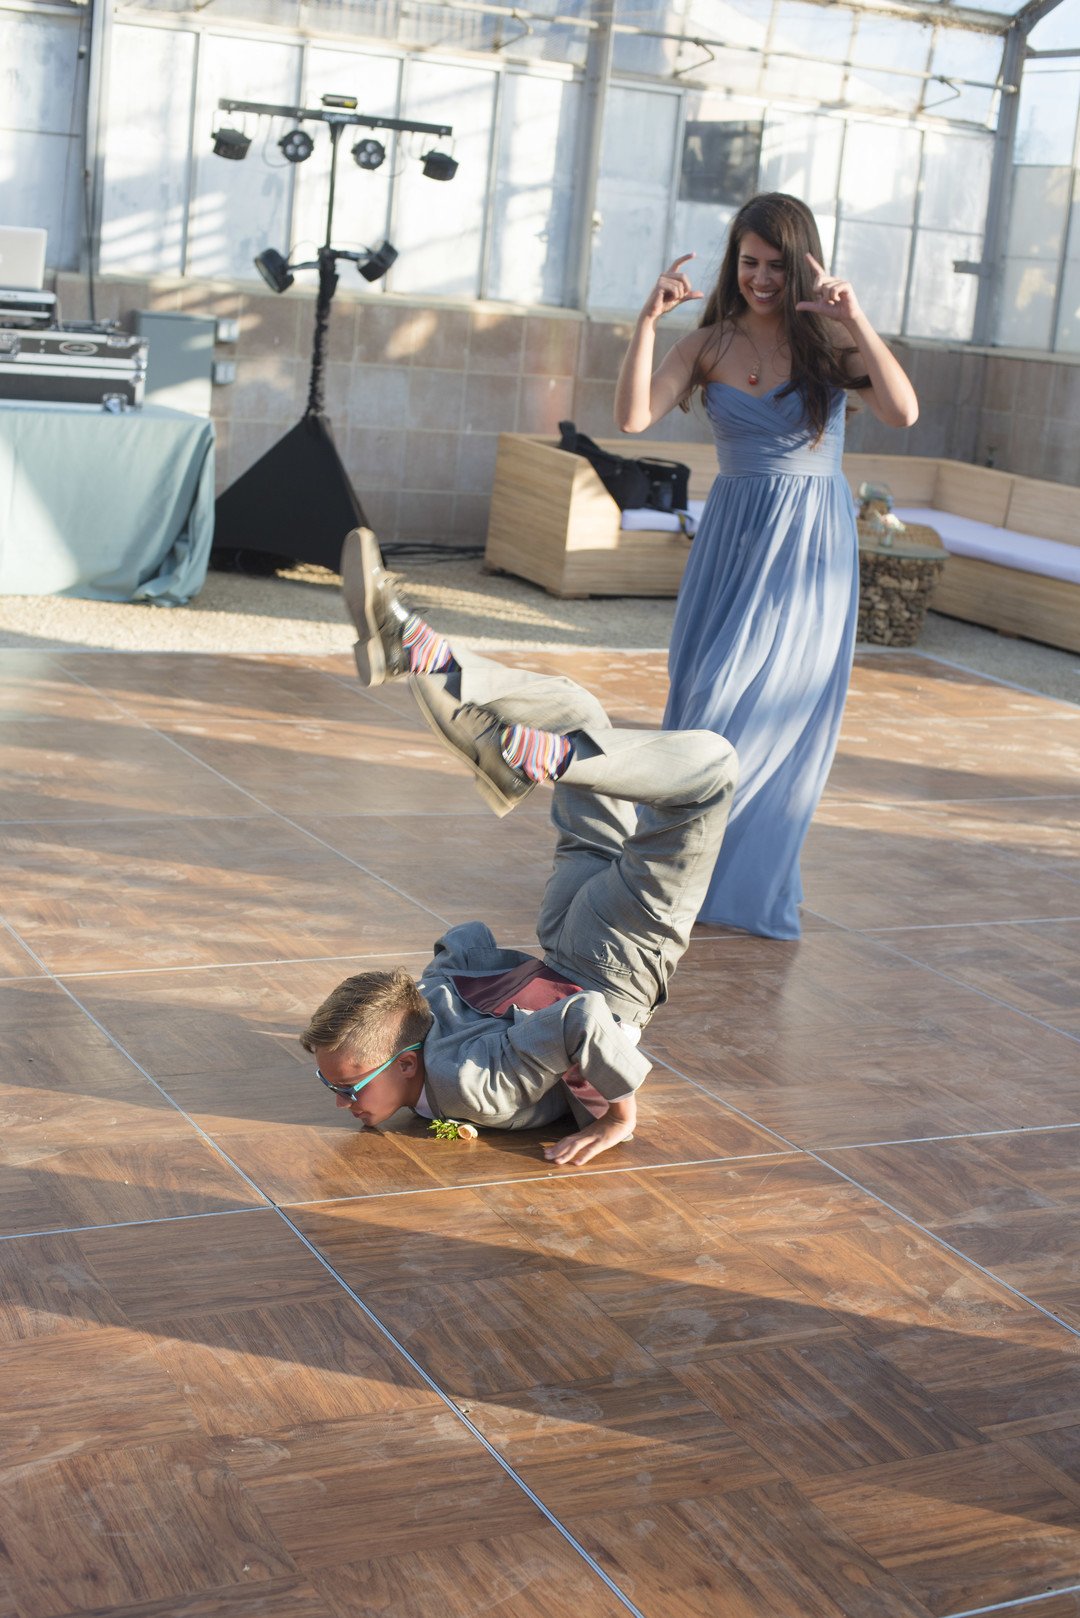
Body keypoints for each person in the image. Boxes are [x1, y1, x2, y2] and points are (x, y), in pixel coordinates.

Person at [299, 528, 738, 1168]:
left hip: (608, 959)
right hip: (565, 936)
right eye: (335, 1084)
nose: (341, 1102)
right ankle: (443, 673)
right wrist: (616, 1110)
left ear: (408, 1062)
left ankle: (502, 721)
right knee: (592, 718)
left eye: (346, 1085)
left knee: (708, 773)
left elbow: (581, 1015)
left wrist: (613, 1108)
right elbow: (469, 941)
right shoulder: (441, 1038)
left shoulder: (470, 1084)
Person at [614, 192, 918, 940]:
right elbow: (630, 418)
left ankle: (741, 885)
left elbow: (903, 412)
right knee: (708, 696)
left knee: (780, 716)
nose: (760, 278)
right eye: (749, 263)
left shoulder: (828, 344)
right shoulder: (709, 343)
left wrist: (857, 318)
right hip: (735, 539)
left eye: (776, 266)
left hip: (810, 547)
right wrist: (647, 324)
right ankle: (674, 868)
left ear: (801, 266)